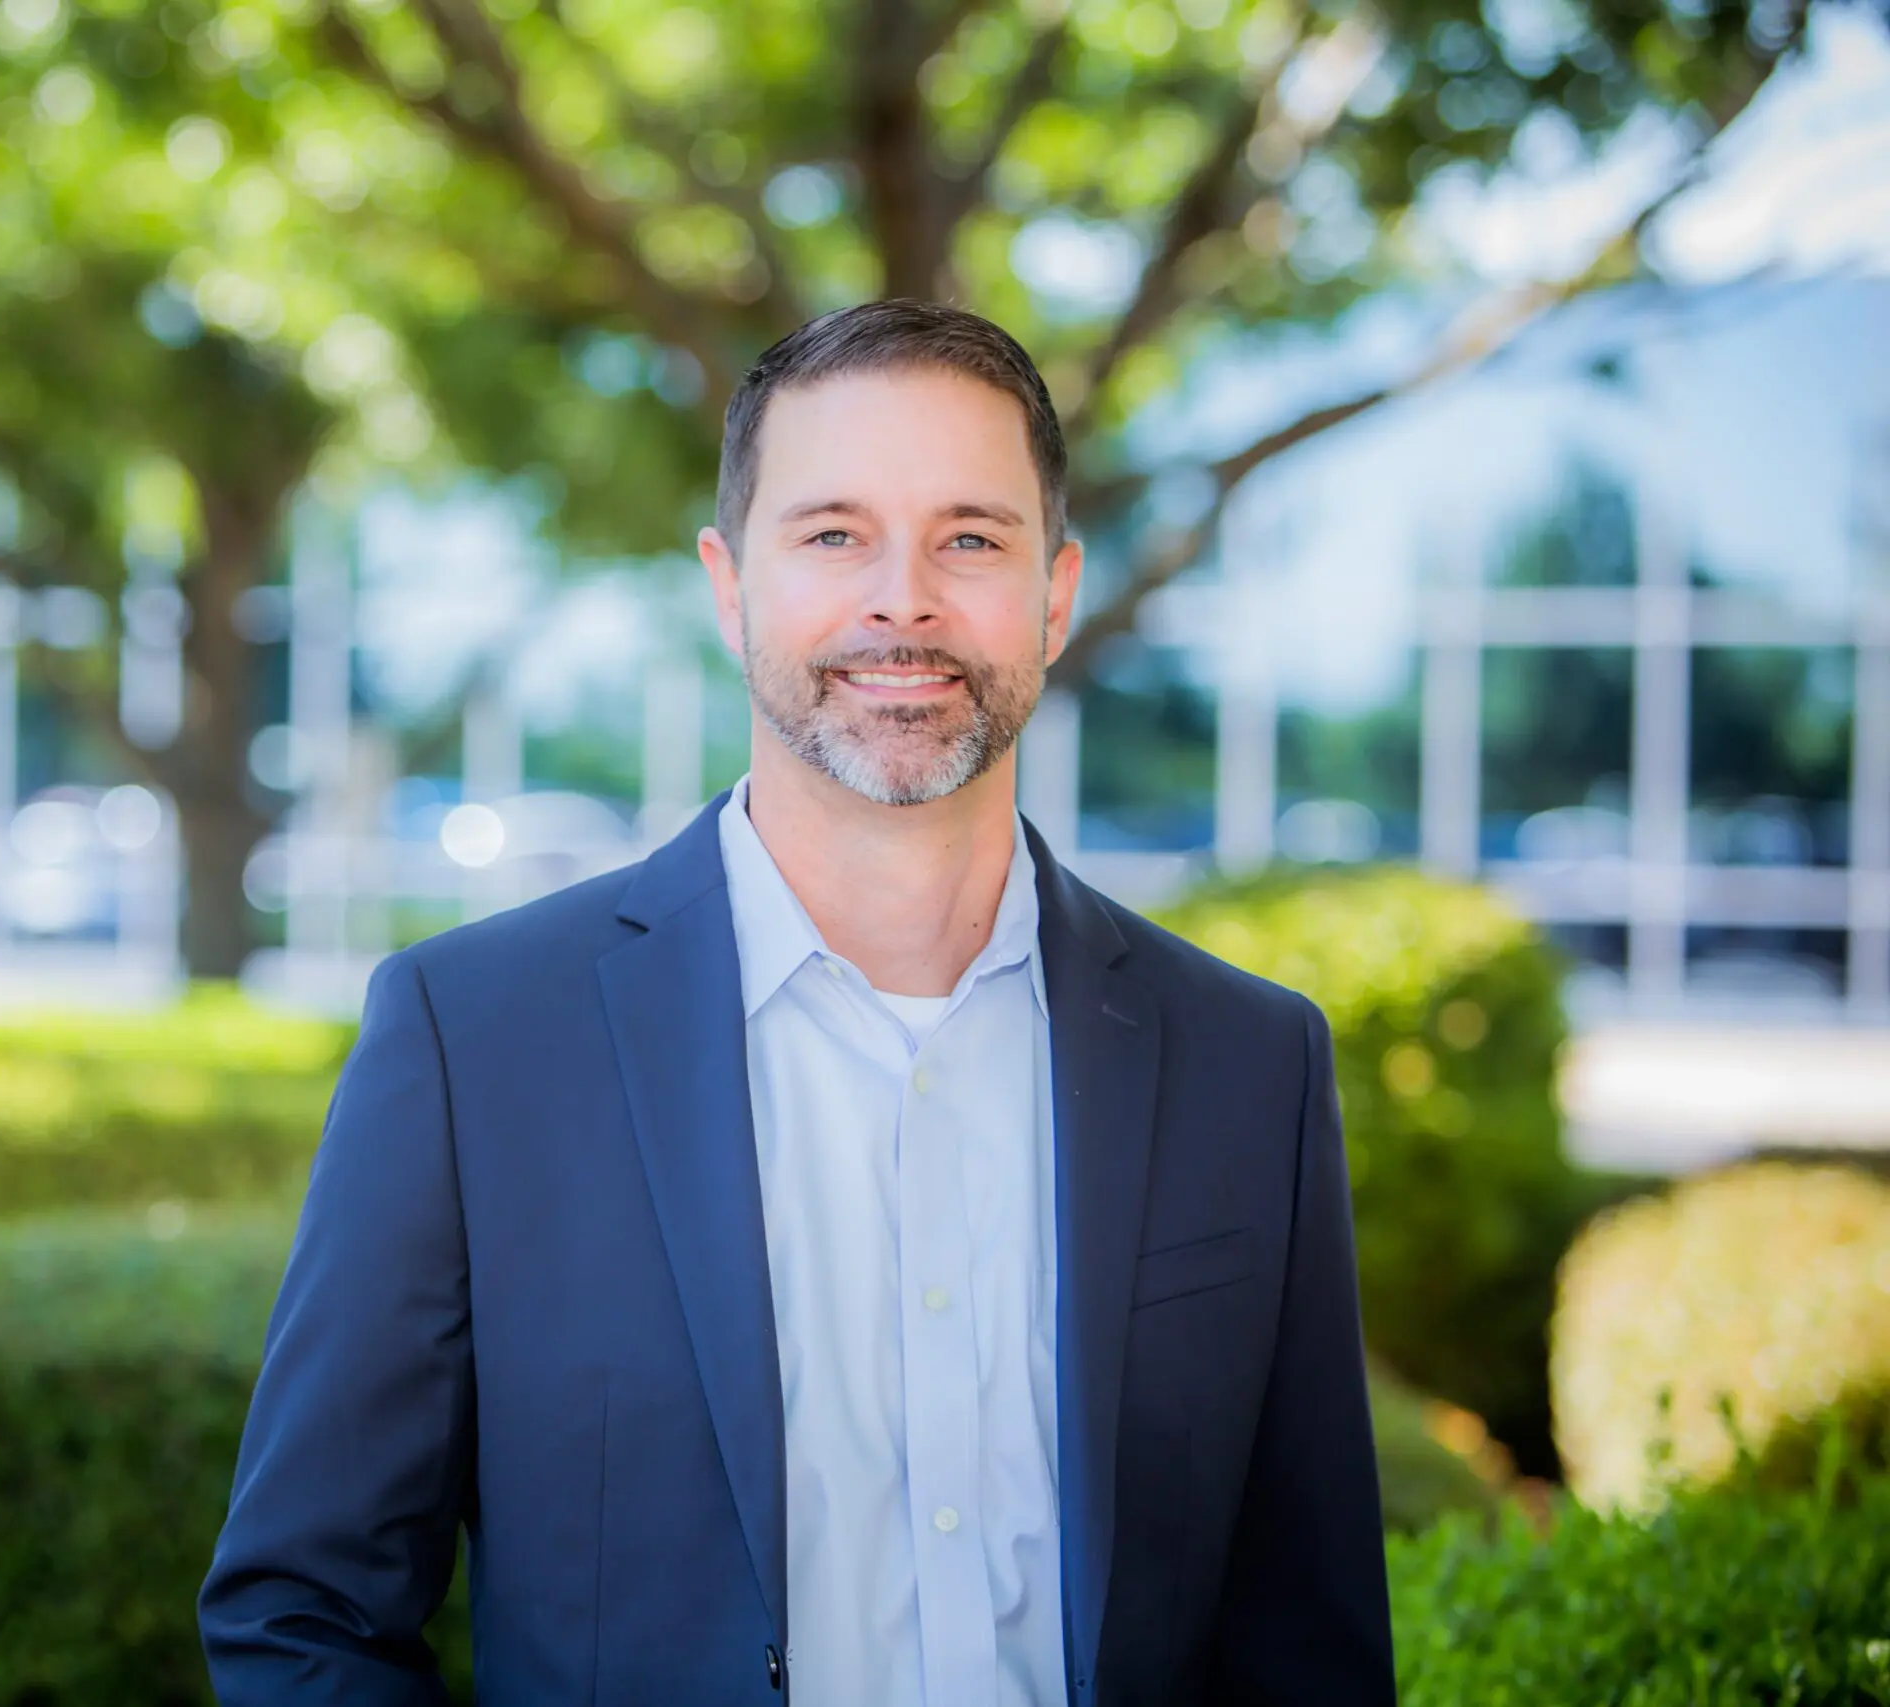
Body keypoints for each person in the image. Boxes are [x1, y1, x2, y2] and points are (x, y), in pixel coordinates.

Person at [199, 299, 1394, 1706]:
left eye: (971, 538)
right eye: (833, 534)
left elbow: (1308, 1643)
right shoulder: (479, 1044)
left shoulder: (1247, 1063)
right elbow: (304, 1611)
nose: (904, 597)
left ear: (1056, 595)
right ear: (730, 587)